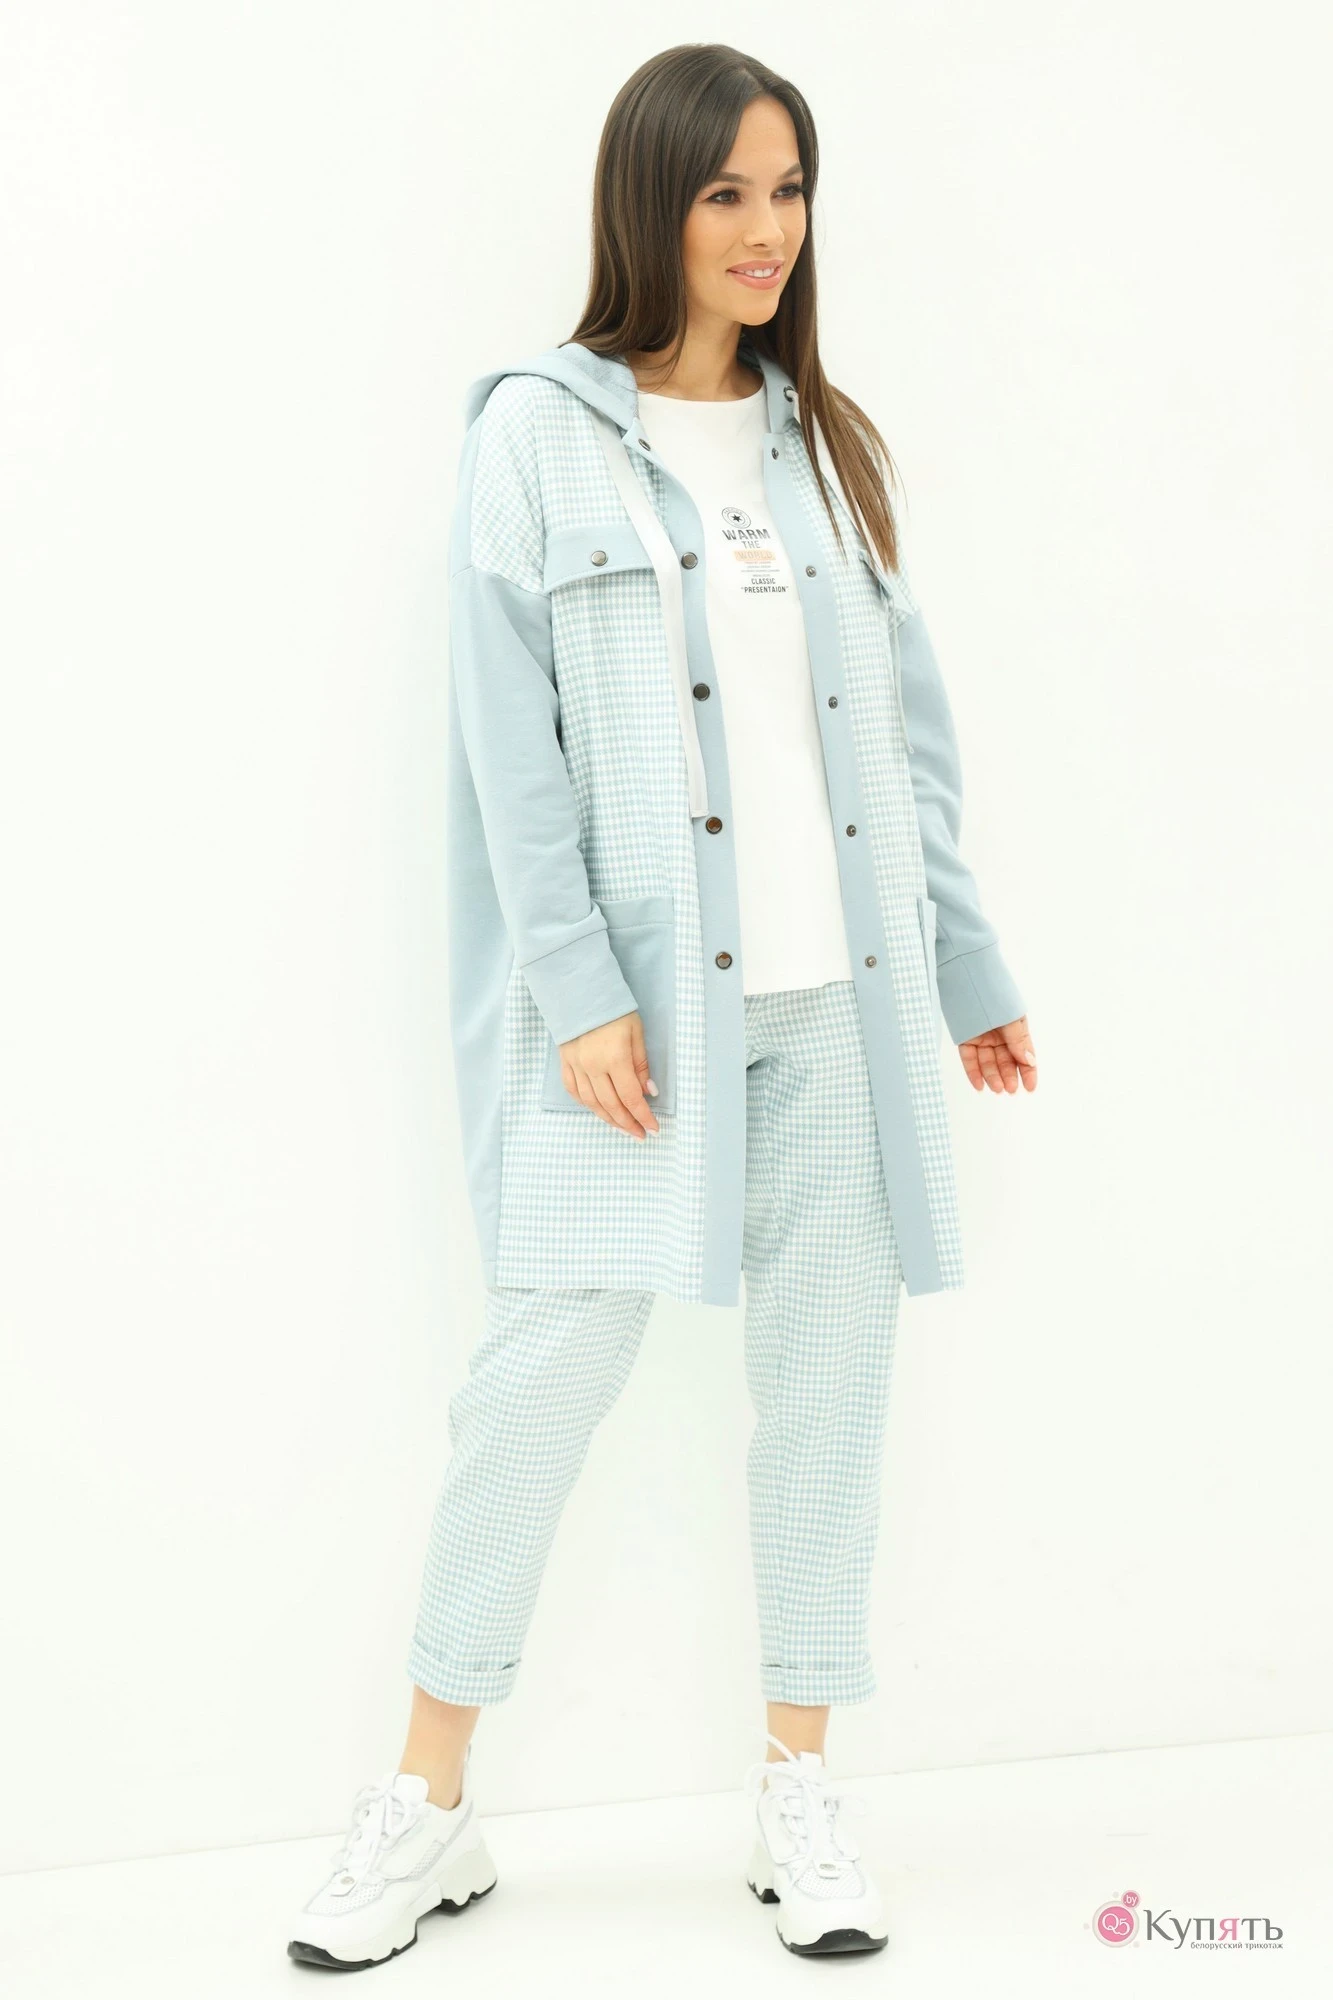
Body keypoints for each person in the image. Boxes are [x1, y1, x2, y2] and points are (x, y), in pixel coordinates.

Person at [287, 41, 1038, 1970]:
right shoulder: (536, 437)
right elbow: (507, 749)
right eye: (726, 194)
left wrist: (964, 968)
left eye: (789, 191)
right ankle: (427, 1800)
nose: (767, 231)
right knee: (532, 1389)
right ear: (653, 202)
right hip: (636, 1031)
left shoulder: (827, 444)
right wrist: (576, 991)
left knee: (829, 1398)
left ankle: (799, 1788)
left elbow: (910, 741)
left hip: (843, 1009)